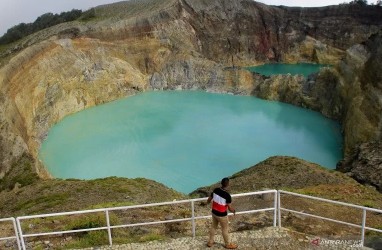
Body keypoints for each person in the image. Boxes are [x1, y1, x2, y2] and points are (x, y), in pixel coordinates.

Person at [206, 177, 238, 249]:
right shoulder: (227, 195)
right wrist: (234, 211)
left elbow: (209, 199)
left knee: (213, 226)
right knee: (224, 229)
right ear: (228, 184)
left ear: (221, 183)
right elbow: (229, 208)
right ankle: (227, 244)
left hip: (214, 212)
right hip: (222, 215)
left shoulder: (215, 190)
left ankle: (210, 242)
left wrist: (207, 203)